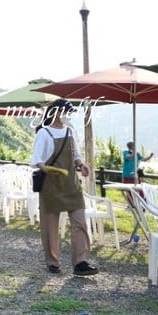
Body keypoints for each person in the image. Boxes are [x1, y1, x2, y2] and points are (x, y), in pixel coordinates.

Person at [31, 98, 98, 276]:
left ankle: (80, 262)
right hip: (50, 185)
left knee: (79, 222)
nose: (68, 116)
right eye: (65, 112)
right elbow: (37, 161)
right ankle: (52, 262)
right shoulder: (43, 133)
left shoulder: (70, 131)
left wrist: (80, 165)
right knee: (50, 226)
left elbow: (76, 155)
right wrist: (47, 168)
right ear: (55, 113)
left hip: (71, 184)